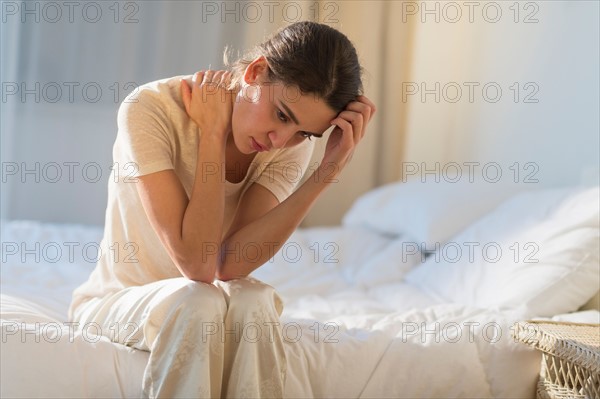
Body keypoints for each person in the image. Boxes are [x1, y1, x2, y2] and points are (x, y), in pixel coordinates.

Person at [68, 20, 375, 398]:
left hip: (203, 306)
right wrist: (212, 136)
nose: (281, 141)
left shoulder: (291, 145)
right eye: (281, 115)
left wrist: (326, 173)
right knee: (197, 300)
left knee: (254, 299)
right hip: (116, 304)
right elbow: (197, 266)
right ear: (255, 71)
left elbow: (229, 265)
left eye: (304, 134)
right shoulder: (150, 109)